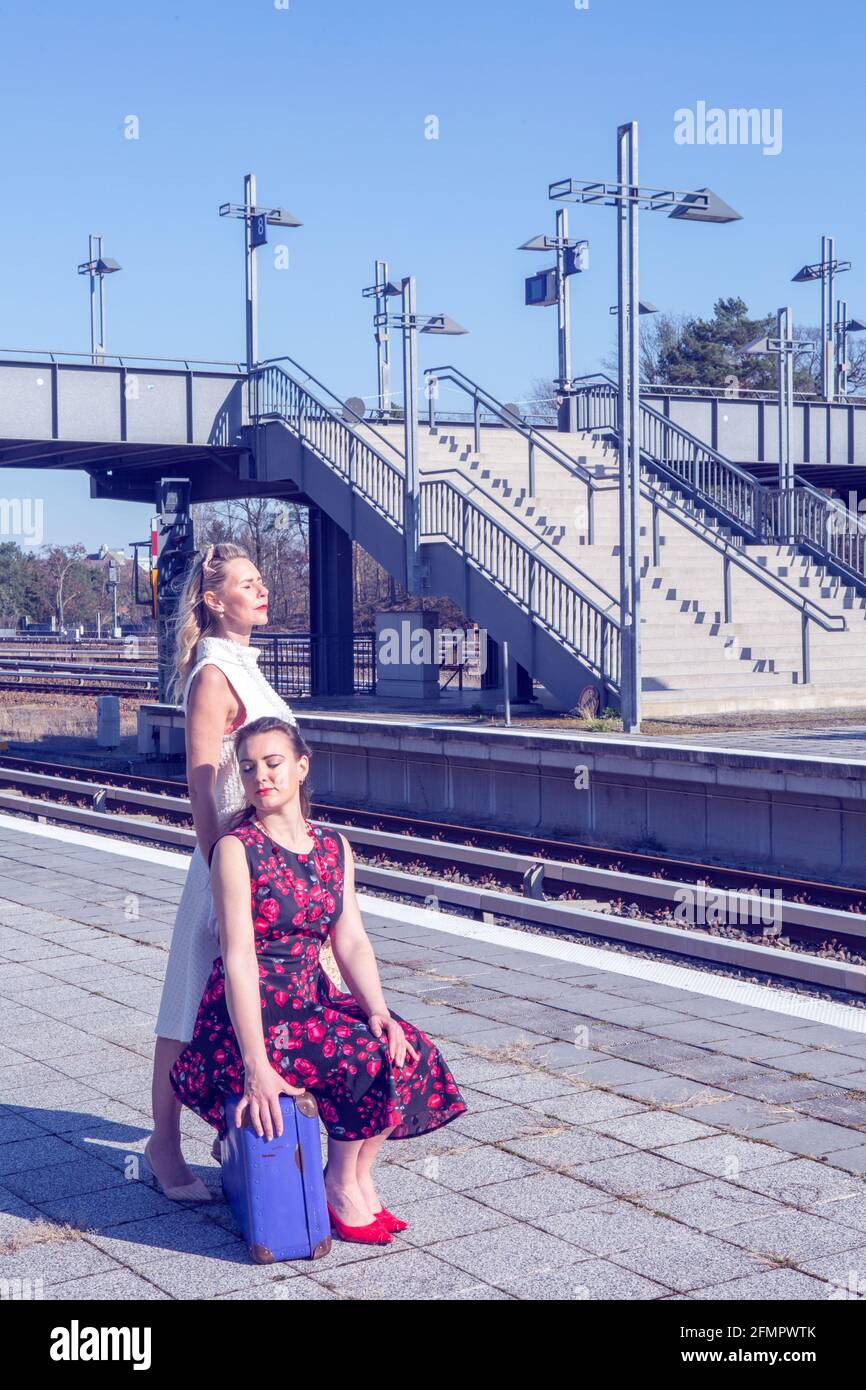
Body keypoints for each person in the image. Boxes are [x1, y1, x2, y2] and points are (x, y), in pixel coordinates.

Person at [169, 716, 468, 1244]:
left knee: (407, 1048)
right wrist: (255, 1064)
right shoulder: (236, 850)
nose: (260, 775)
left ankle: (354, 1175)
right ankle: (337, 1185)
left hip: (310, 996)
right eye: (248, 767)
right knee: (363, 1061)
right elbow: (237, 958)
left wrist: (377, 1008)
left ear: (301, 767)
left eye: (273, 762)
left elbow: (350, 940)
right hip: (254, 1012)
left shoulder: (334, 847)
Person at [144, 542, 342, 1200]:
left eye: (261, 580)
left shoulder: (243, 665)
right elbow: (202, 785)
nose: (261, 590)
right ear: (213, 599)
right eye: (246, 583)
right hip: (229, 857)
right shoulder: (212, 673)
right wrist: (217, 867)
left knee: (261, 995)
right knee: (186, 1002)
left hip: (270, 855)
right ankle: (163, 1149)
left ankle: (234, 1129)